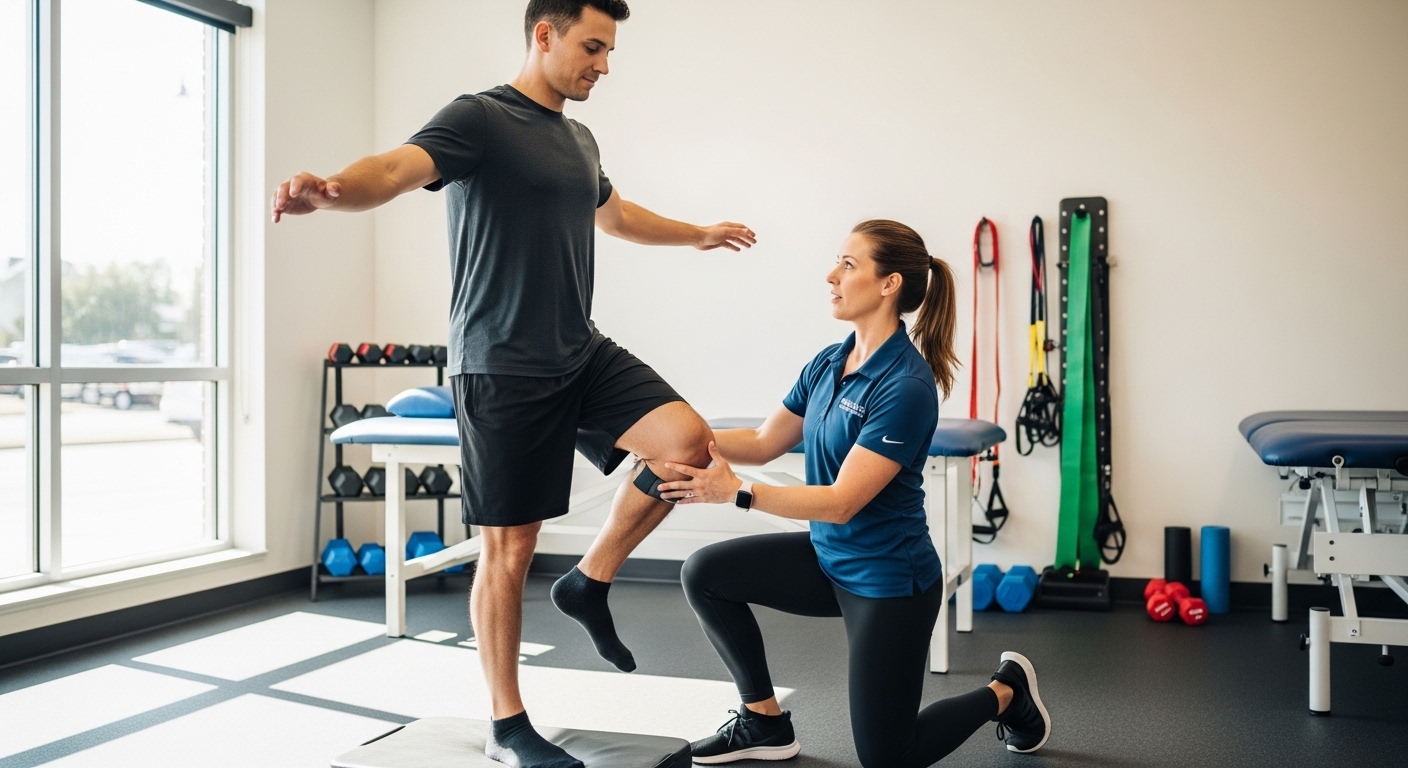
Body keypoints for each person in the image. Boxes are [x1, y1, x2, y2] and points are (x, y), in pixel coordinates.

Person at [271, 2, 755, 766]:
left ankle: (590, 581)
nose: (603, 63)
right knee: (510, 550)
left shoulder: (580, 137)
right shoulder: (479, 119)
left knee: (687, 445)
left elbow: (617, 214)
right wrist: (331, 187)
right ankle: (507, 722)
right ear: (544, 33)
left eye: (610, 50)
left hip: (579, 350)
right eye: (593, 46)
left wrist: (695, 233)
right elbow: (395, 170)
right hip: (500, 364)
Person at [657, 220, 1052, 766]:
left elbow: (843, 501)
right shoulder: (828, 362)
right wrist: (666, 438)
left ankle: (1006, 691)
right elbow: (765, 440)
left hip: (888, 581)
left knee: (888, 757)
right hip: (828, 559)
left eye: (847, 265)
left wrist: (737, 493)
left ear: (889, 284)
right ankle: (764, 723)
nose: (831, 276)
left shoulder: (906, 387)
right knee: (705, 573)